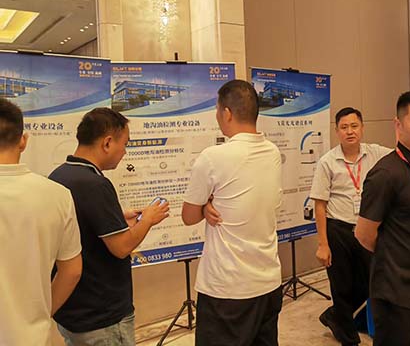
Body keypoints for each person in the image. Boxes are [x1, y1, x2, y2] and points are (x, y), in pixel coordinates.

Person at [49, 107, 170, 346]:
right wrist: (148, 219)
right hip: (102, 316)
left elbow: (80, 225)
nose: (124, 152)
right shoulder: (95, 184)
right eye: (124, 144)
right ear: (107, 143)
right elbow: (121, 247)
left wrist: (116, 218)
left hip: (73, 311)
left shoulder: (59, 175)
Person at [182, 80, 283, 346]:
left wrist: (204, 205)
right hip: (268, 282)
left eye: (217, 110)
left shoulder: (213, 157)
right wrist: (209, 203)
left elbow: (188, 216)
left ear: (227, 113)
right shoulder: (272, 152)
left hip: (227, 289)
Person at [355, 90, 410, 346]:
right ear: (398, 125)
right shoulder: (385, 174)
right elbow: (364, 234)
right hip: (396, 292)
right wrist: (395, 254)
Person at [0, 98, 82, 346]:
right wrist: (41, 314)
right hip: (33, 337)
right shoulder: (58, 195)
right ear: (23, 140)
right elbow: (72, 270)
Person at [309, 107, 391, 345]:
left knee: (371, 280)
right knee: (341, 284)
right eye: (344, 127)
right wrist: (323, 244)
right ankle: (347, 335)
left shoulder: (375, 153)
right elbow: (320, 205)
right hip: (338, 229)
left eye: (354, 126)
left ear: (362, 128)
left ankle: (334, 315)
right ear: (337, 131)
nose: (350, 131)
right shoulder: (327, 162)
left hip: (366, 228)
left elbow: (401, 155)